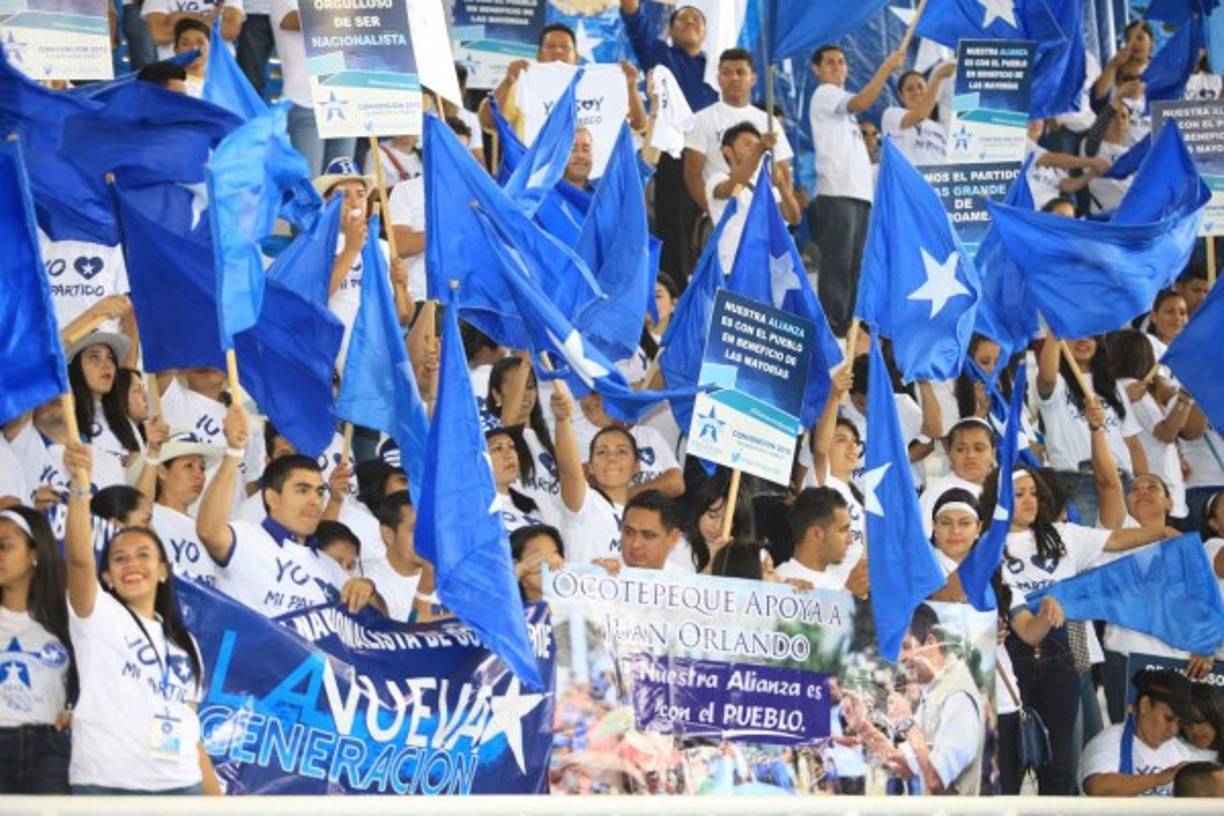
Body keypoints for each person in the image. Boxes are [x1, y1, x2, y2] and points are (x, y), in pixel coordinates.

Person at [986, 466, 1169, 795]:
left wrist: (1161, 531)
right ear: (999, 499)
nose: (1030, 500)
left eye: (1035, 493)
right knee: (1010, 761)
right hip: (1009, 654)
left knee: (1060, 761)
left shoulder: (1063, 534)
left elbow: (1115, 540)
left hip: (1065, 649)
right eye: (1019, 494)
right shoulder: (985, 545)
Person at [62, 441, 218, 794]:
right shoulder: (96, 614)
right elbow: (79, 560)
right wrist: (78, 489)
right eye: (119, 558)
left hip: (181, 786)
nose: (131, 563)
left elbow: (189, 728)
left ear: (163, 571)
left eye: (143, 554)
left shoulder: (184, 642)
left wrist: (216, 801)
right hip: (108, 786)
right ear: (107, 577)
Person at [195, 403, 381, 618]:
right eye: (302, 490)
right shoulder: (246, 539)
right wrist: (234, 452)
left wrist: (369, 589)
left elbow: (377, 625)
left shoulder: (328, 567)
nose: (315, 500)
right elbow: (209, 531)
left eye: (320, 492)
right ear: (272, 497)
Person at [808, 44, 905, 335]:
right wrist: (886, 68)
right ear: (817, 69)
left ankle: (851, 327)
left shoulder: (844, 113)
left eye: (841, 62)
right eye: (830, 62)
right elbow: (863, 100)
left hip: (859, 195)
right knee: (838, 265)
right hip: (837, 193)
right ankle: (834, 328)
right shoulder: (825, 95)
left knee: (856, 265)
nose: (837, 67)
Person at [620, 0, 715, 281]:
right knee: (674, 233)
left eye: (696, 19)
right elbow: (635, 19)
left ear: (706, 32)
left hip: (712, 160)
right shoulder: (660, 55)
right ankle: (672, 299)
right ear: (670, 32)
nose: (690, 22)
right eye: (682, 19)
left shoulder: (718, 69)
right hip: (674, 158)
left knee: (711, 233)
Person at [1036, 333, 1148, 526]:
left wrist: (1144, 483)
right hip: (1079, 484)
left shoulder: (1113, 386)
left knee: (1126, 553)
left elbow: (1132, 442)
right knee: (1091, 554)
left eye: (1090, 335)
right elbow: (1046, 378)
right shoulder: (1058, 383)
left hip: (1123, 483)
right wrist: (1056, 329)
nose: (1083, 340)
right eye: (1074, 334)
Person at [0, 507, 73, 794]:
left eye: (4, 546)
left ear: (35, 554)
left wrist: (77, 709)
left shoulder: (67, 619)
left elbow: (102, 673)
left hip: (49, 750)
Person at [684, 49, 793, 218]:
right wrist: (714, 215)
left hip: (762, 219)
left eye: (741, 72)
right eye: (726, 73)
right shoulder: (702, 120)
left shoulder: (769, 122)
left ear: (753, 78)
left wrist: (780, 217)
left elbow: (783, 172)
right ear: (718, 78)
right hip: (722, 213)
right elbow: (692, 175)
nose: (734, 78)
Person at [1080, 668, 1203, 796]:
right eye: (1168, 719)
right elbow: (1097, 788)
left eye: (1180, 723)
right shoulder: (1108, 742)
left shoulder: (1180, 752)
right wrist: (1161, 778)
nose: (1173, 730)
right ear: (1145, 705)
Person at [269, 0, 354, 175]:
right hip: (305, 103)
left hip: (344, 98)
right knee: (310, 187)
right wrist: (357, 14)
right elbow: (291, 20)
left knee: (342, 185)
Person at [553, 386, 633, 566]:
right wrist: (562, 419)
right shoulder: (584, 502)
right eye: (602, 452)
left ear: (637, 467)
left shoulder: (644, 514)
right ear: (590, 468)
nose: (611, 458)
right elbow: (568, 471)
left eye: (621, 451)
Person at [705, 121, 801, 271]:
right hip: (734, 268)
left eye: (757, 145)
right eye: (747, 144)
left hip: (770, 269)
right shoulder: (717, 179)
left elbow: (794, 218)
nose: (755, 148)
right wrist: (760, 149)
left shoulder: (769, 186)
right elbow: (733, 190)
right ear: (727, 151)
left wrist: (782, 186)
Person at [146, 431, 221, 588]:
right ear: (162, 471)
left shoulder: (206, 530)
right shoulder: (150, 516)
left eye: (202, 468)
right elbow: (137, 510)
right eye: (188, 466)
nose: (199, 475)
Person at [775, 488, 852, 591]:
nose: (850, 540)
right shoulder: (777, 584)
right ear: (816, 534)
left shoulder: (840, 586)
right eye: (843, 530)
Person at [881, 64, 957, 166]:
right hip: (908, 181)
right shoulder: (892, 115)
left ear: (928, 90)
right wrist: (938, 77)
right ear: (901, 96)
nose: (917, 92)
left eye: (920, 87)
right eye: (910, 89)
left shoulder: (941, 129)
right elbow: (920, 115)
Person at [362, 491, 422, 622]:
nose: (425, 537)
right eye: (415, 529)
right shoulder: (364, 578)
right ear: (388, 534)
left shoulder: (449, 577)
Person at [685, 472, 753, 573]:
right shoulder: (679, 547)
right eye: (712, 516)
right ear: (699, 510)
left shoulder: (755, 555)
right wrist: (712, 565)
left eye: (727, 521)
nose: (717, 527)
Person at [143, 0, 243, 62]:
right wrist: (211, 20)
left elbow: (230, 30)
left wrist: (180, 16)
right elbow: (159, 35)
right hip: (174, 76)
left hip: (219, 74)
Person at [615, 490, 684, 571]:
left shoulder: (684, 581)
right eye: (629, 533)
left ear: (673, 537)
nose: (635, 544)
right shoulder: (601, 574)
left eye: (648, 536)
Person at [511, 524, 565, 602]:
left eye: (555, 552)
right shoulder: (508, 607)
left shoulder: (577, 606)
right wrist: (520, 569)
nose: (550, 560)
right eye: (538, 555)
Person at [171, 18, 210, 97]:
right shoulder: (168, 84)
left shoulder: (220, 83)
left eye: (200, 43)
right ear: (176, 50)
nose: (193, 48)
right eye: (185, 44)